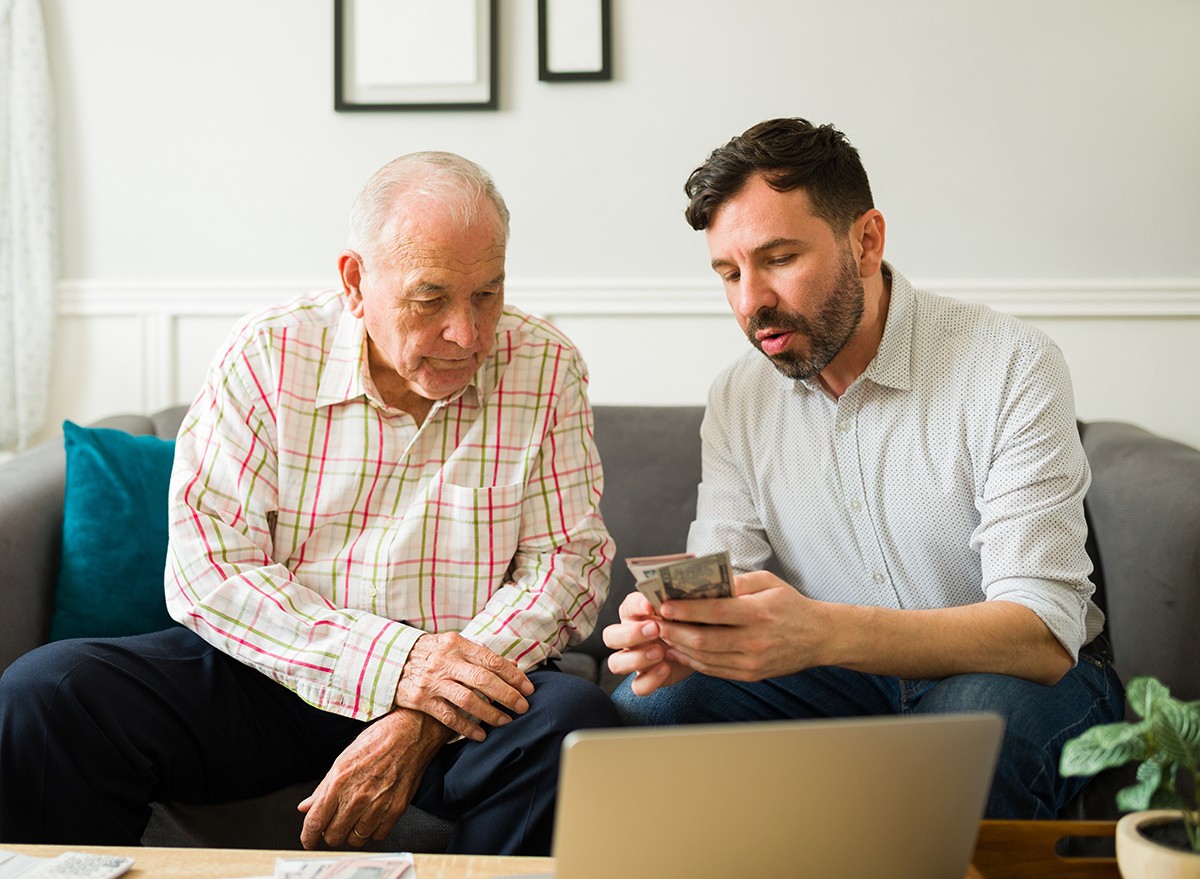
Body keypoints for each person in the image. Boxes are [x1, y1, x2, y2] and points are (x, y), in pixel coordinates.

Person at [0, 152, 621, 853]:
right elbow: (210, 571)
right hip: (275, 676)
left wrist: (424, 712)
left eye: (487, 294)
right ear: (356, 282)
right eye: (432, 298)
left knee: (573, 720)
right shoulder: (266, 354)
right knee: (48, 691)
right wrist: (398, 664)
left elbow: (566, 568)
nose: (468, 334)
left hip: (468, 692)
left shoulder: (545, 366)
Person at [602, 118, 1124, 818]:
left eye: (778, 258)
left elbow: (1042, 630)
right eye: (729, 272)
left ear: (867, 240)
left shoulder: (1010, 363)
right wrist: (683, 632)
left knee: (961, 739)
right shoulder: (738, 395)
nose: (749, 302)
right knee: (649, 710)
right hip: (837, 680)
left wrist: (819, 630)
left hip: (1014, 675)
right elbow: (718, 574)